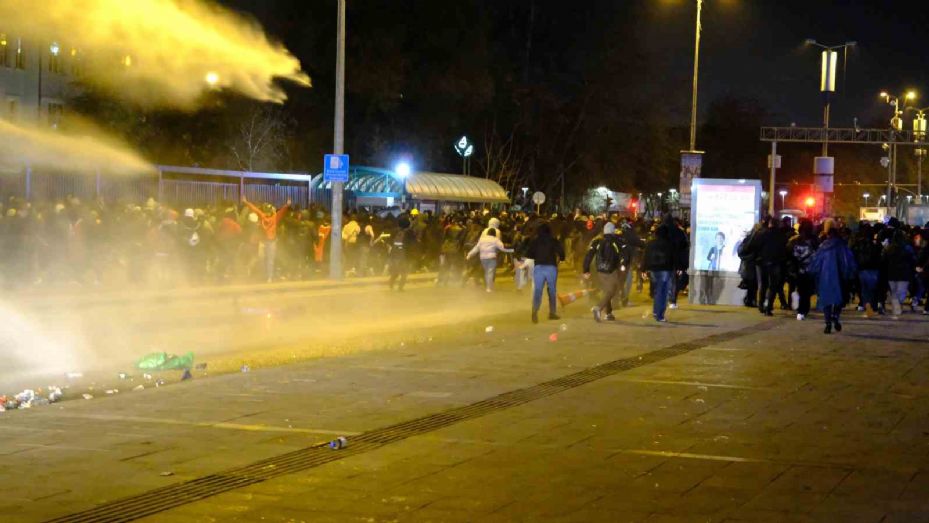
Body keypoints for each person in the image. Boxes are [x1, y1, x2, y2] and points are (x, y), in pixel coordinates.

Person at [809, 227, 856, 334]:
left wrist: (812, 272)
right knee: (839, 299)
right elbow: (849, 262)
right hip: (840, 277)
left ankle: (828, 323)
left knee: (826, 301)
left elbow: (815, 262)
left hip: (825, 278)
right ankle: (835, 316)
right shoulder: (842, 247)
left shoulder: (823, 247)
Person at [583, 222, 625, 322]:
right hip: (611, 270)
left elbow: (589, 255)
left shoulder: (597, 241)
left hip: (600, 270)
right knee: (612, 290)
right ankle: (598, 307)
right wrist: (623, 264)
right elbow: (623, 254)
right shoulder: (616, 241)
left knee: (607, 291)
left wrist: (586, 269)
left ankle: (608, 313)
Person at [242, 196, 291, 283]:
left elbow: (254, 209)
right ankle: (268, 277)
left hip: (267, 242)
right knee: (267, 259)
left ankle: (268, 277)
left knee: (266, 259)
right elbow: (281, 211)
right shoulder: (272, 217)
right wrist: (287, 205)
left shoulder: (264, 216)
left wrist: (246, 202)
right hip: (268, 242)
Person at [525, 222, 564, 323]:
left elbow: (529, 254)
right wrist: (562, 258)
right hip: (551, 267)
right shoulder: (553, 240)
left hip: (539, 268)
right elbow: (561, 252)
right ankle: (552, 313)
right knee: (552, 290)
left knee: (538, 290)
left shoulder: (535, 241)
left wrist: (538, 256)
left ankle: (535, 310)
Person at [641, 225, 675, 323]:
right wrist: (674, 268)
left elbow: (645, 256)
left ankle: (656, 311)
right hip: (665, 269)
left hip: (653, 269)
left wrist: (643, 269)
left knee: (657, 291)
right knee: (663, 292)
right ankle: (659, 314)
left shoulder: (650, 243)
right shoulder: (669, 244)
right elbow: (672, 257)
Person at [786, 219, 818, 320]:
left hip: (799, 269)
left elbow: (790, 255)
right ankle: (804, 308)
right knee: (807, 291)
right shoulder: (814, 241)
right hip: (811, 269)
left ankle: (800, 309)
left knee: (801, 289)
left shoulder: (795, 240)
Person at [883, 229, 916, 317]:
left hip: (891, 273)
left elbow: (884, 260)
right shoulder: (907, 248)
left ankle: (896, 306)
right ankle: (898, 306)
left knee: (894, 291)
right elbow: (913, 260)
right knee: (901, 291)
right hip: (903, 273)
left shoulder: (889, 248)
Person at [388, 216, 416, 291]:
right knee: (404, 272)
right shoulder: (410, 232)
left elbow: (390, 241)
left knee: (396, 270)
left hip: (394, 253)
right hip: (404, 254)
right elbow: (412, 244)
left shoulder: (395, 231)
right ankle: (400, 287)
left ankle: (391, 283)